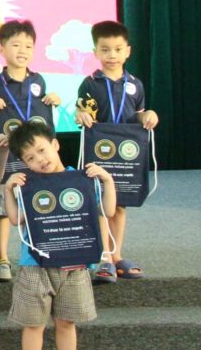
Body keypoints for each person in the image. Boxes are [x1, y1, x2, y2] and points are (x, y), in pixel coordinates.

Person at [3, 121, 115, 350]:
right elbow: (16, 219)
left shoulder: (81, 179)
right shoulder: (29, 185)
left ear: (55, 144)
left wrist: (108, 180)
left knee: (66, 323)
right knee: (33, 325)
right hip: (35, 264)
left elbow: (108, 211)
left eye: (42, 150)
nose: (40, 159)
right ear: (24, 163)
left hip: (74, 263)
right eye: (30, 158)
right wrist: (8, 191)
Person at [74, 20, 158, 283]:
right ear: (96, 52)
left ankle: (117, 254)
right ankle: (104, 258)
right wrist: (80, 115)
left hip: (126, 157)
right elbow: (81, 111)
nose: (112, 55)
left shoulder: (135, 84)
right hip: (100, 153)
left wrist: (148, 116)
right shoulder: (90, 84)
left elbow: (139, 114)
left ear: (127, 51)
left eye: (118, 49)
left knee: (120, 205)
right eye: (105, 49)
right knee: (101, 205)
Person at [0, 20, 61, 282]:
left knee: (41, 201)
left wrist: (54, 100)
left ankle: (44, 248)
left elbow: (42, 112)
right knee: (4, 207)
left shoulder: (38, 80)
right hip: (8, 156)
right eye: (15, 45)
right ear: (2, 49)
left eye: (28, 46)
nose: (22, 50)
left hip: (36, 157)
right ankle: (2, 258)